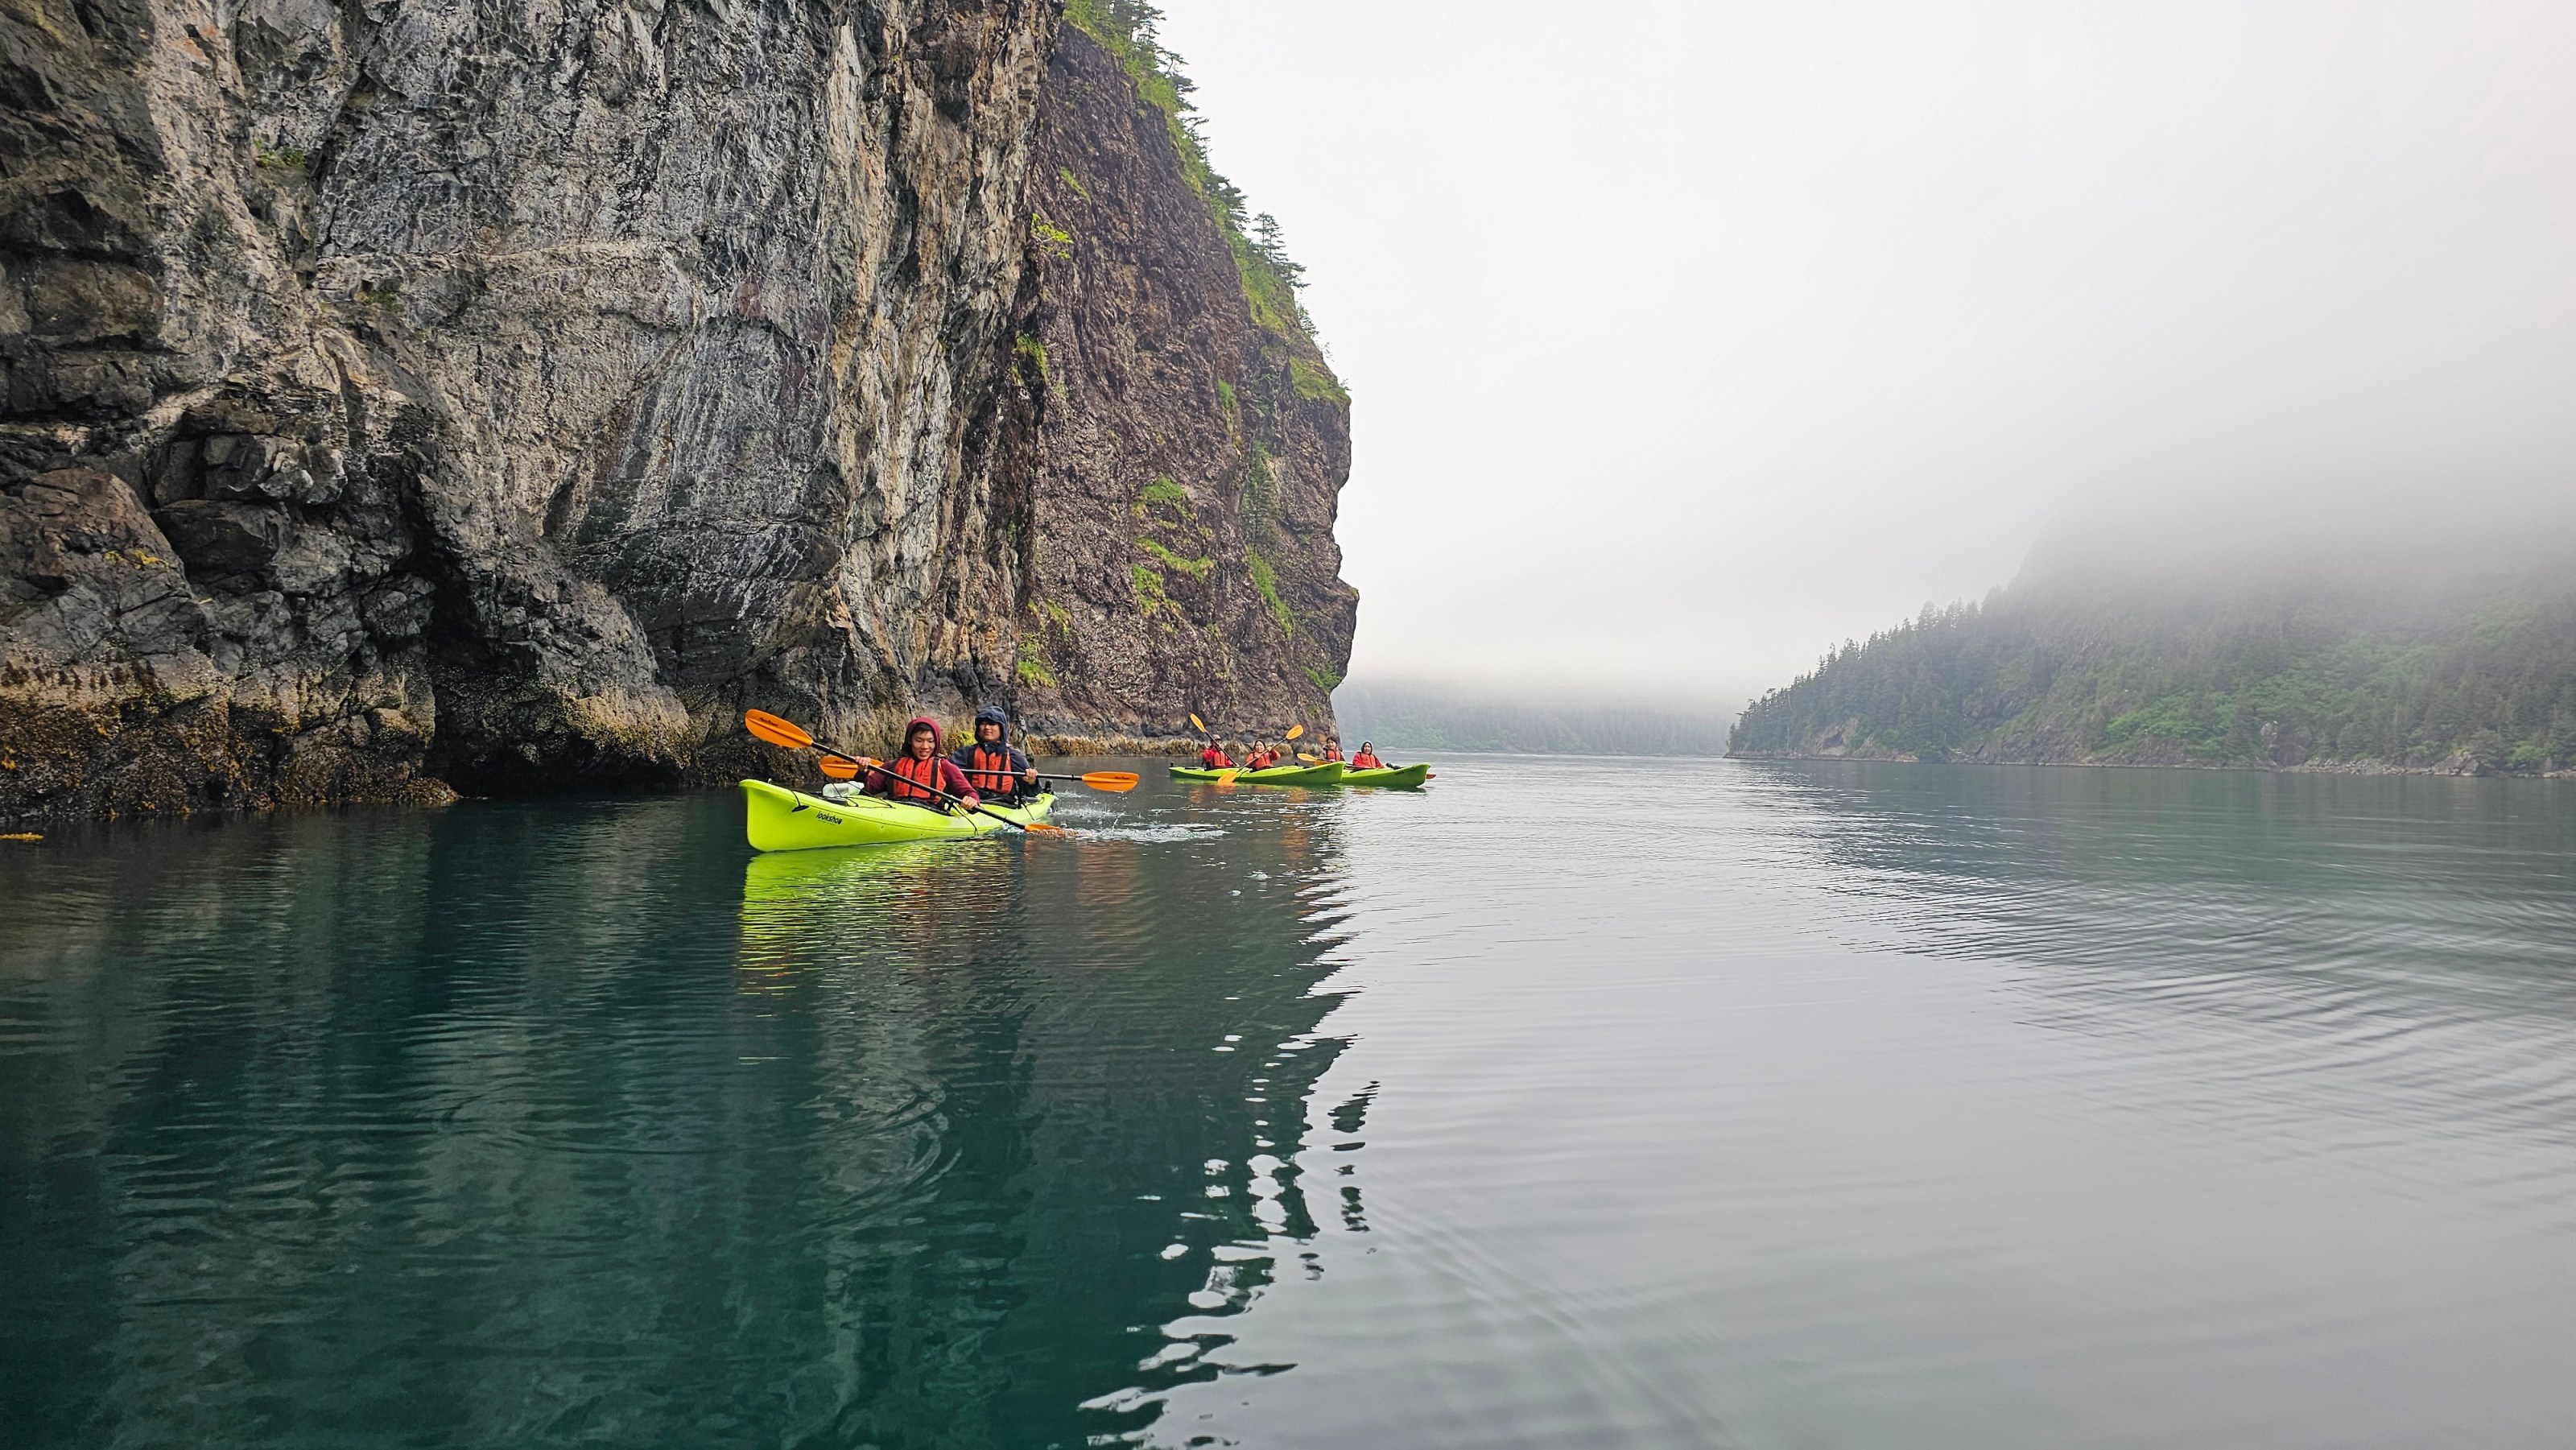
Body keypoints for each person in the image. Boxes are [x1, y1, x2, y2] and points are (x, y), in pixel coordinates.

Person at [865, 717, 978, 809]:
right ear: (910, 740)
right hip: (896, 808)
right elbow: (867, 790)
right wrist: (863, 771)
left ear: (936, 742)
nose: (925, 747)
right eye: (919, 741)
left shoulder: (945, 767)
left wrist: (971, 800)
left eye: (930, 741)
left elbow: (969, 792)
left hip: (930, 812)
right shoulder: (891, 765)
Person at [953, 706, 1040, 803]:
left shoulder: (1014, 757)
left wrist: (1032, 782)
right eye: (983, 724)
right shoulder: (965, 753)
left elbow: (1032, 793)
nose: (987, 727)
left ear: (1001, 728)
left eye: (992, 724)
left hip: (1004, 804)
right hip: (972, 802)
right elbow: (948, 775)